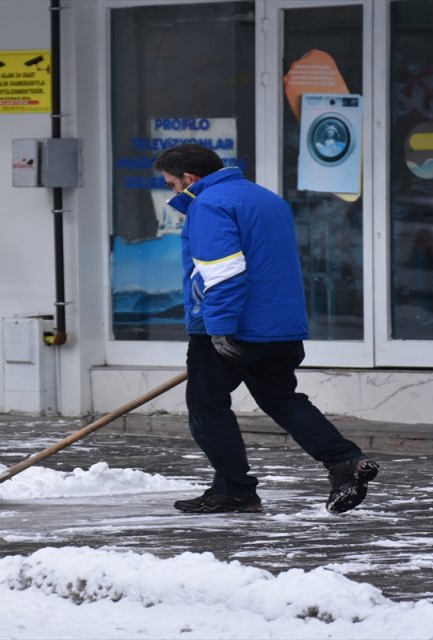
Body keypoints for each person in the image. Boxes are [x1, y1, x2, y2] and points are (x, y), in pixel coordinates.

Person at [153, 143, 379, 514]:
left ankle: (235, 489)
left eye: (173, 184)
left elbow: (224, 271)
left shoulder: (210, 204)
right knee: (281, 398)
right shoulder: (267, 199)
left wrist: (220, 329)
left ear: (189, 178)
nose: (174, 192)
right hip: (280, 327)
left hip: (233, 325)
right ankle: (345, 461)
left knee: (206, 406)